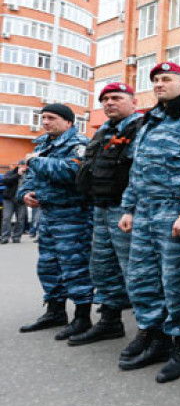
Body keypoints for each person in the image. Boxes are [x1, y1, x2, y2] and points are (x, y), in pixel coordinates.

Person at [117, 62, 180, 384]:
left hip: (176, 214)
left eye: (167, 79)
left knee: (178, 284)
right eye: (156, 80)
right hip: (145, 213)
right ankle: (154, 337)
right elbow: (138, 168)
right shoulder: (151, 119)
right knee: (142, 280)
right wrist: (129, 207)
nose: (160, 84)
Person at [69, 83, 142, 346]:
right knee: (102, 267)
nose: (109, 103)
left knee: (135, 271)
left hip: (126, 210)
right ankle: (110, 322)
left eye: (116, 98)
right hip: (100, 207)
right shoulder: (103, 131)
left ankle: (152, 333)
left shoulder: (141, 128)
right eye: (105, 99)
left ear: (133, 102)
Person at [18, 104, 94, 339]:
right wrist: (26, 193)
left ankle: (82, 317)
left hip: (73, 215)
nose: (46, 122)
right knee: (48, 266)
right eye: (44, 118)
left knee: (75, 267)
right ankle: (55, 311)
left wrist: (34, 162)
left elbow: (72, 172)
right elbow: (30, 177)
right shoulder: (43, 144)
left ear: (68, 122)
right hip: (49, 215)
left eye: (52, 118)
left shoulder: (79, 144)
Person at [2, 160, 28, 243]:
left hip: (21, 200)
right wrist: (18, 175)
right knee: (6, 218)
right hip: (9, 199)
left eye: (25, 165)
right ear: (19, 165)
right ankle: (5, 237)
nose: (24, 167)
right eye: (22, 165)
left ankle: (17, 237)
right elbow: (6, 181)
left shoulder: (29, 174)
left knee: (20, 219)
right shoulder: (11, 172)